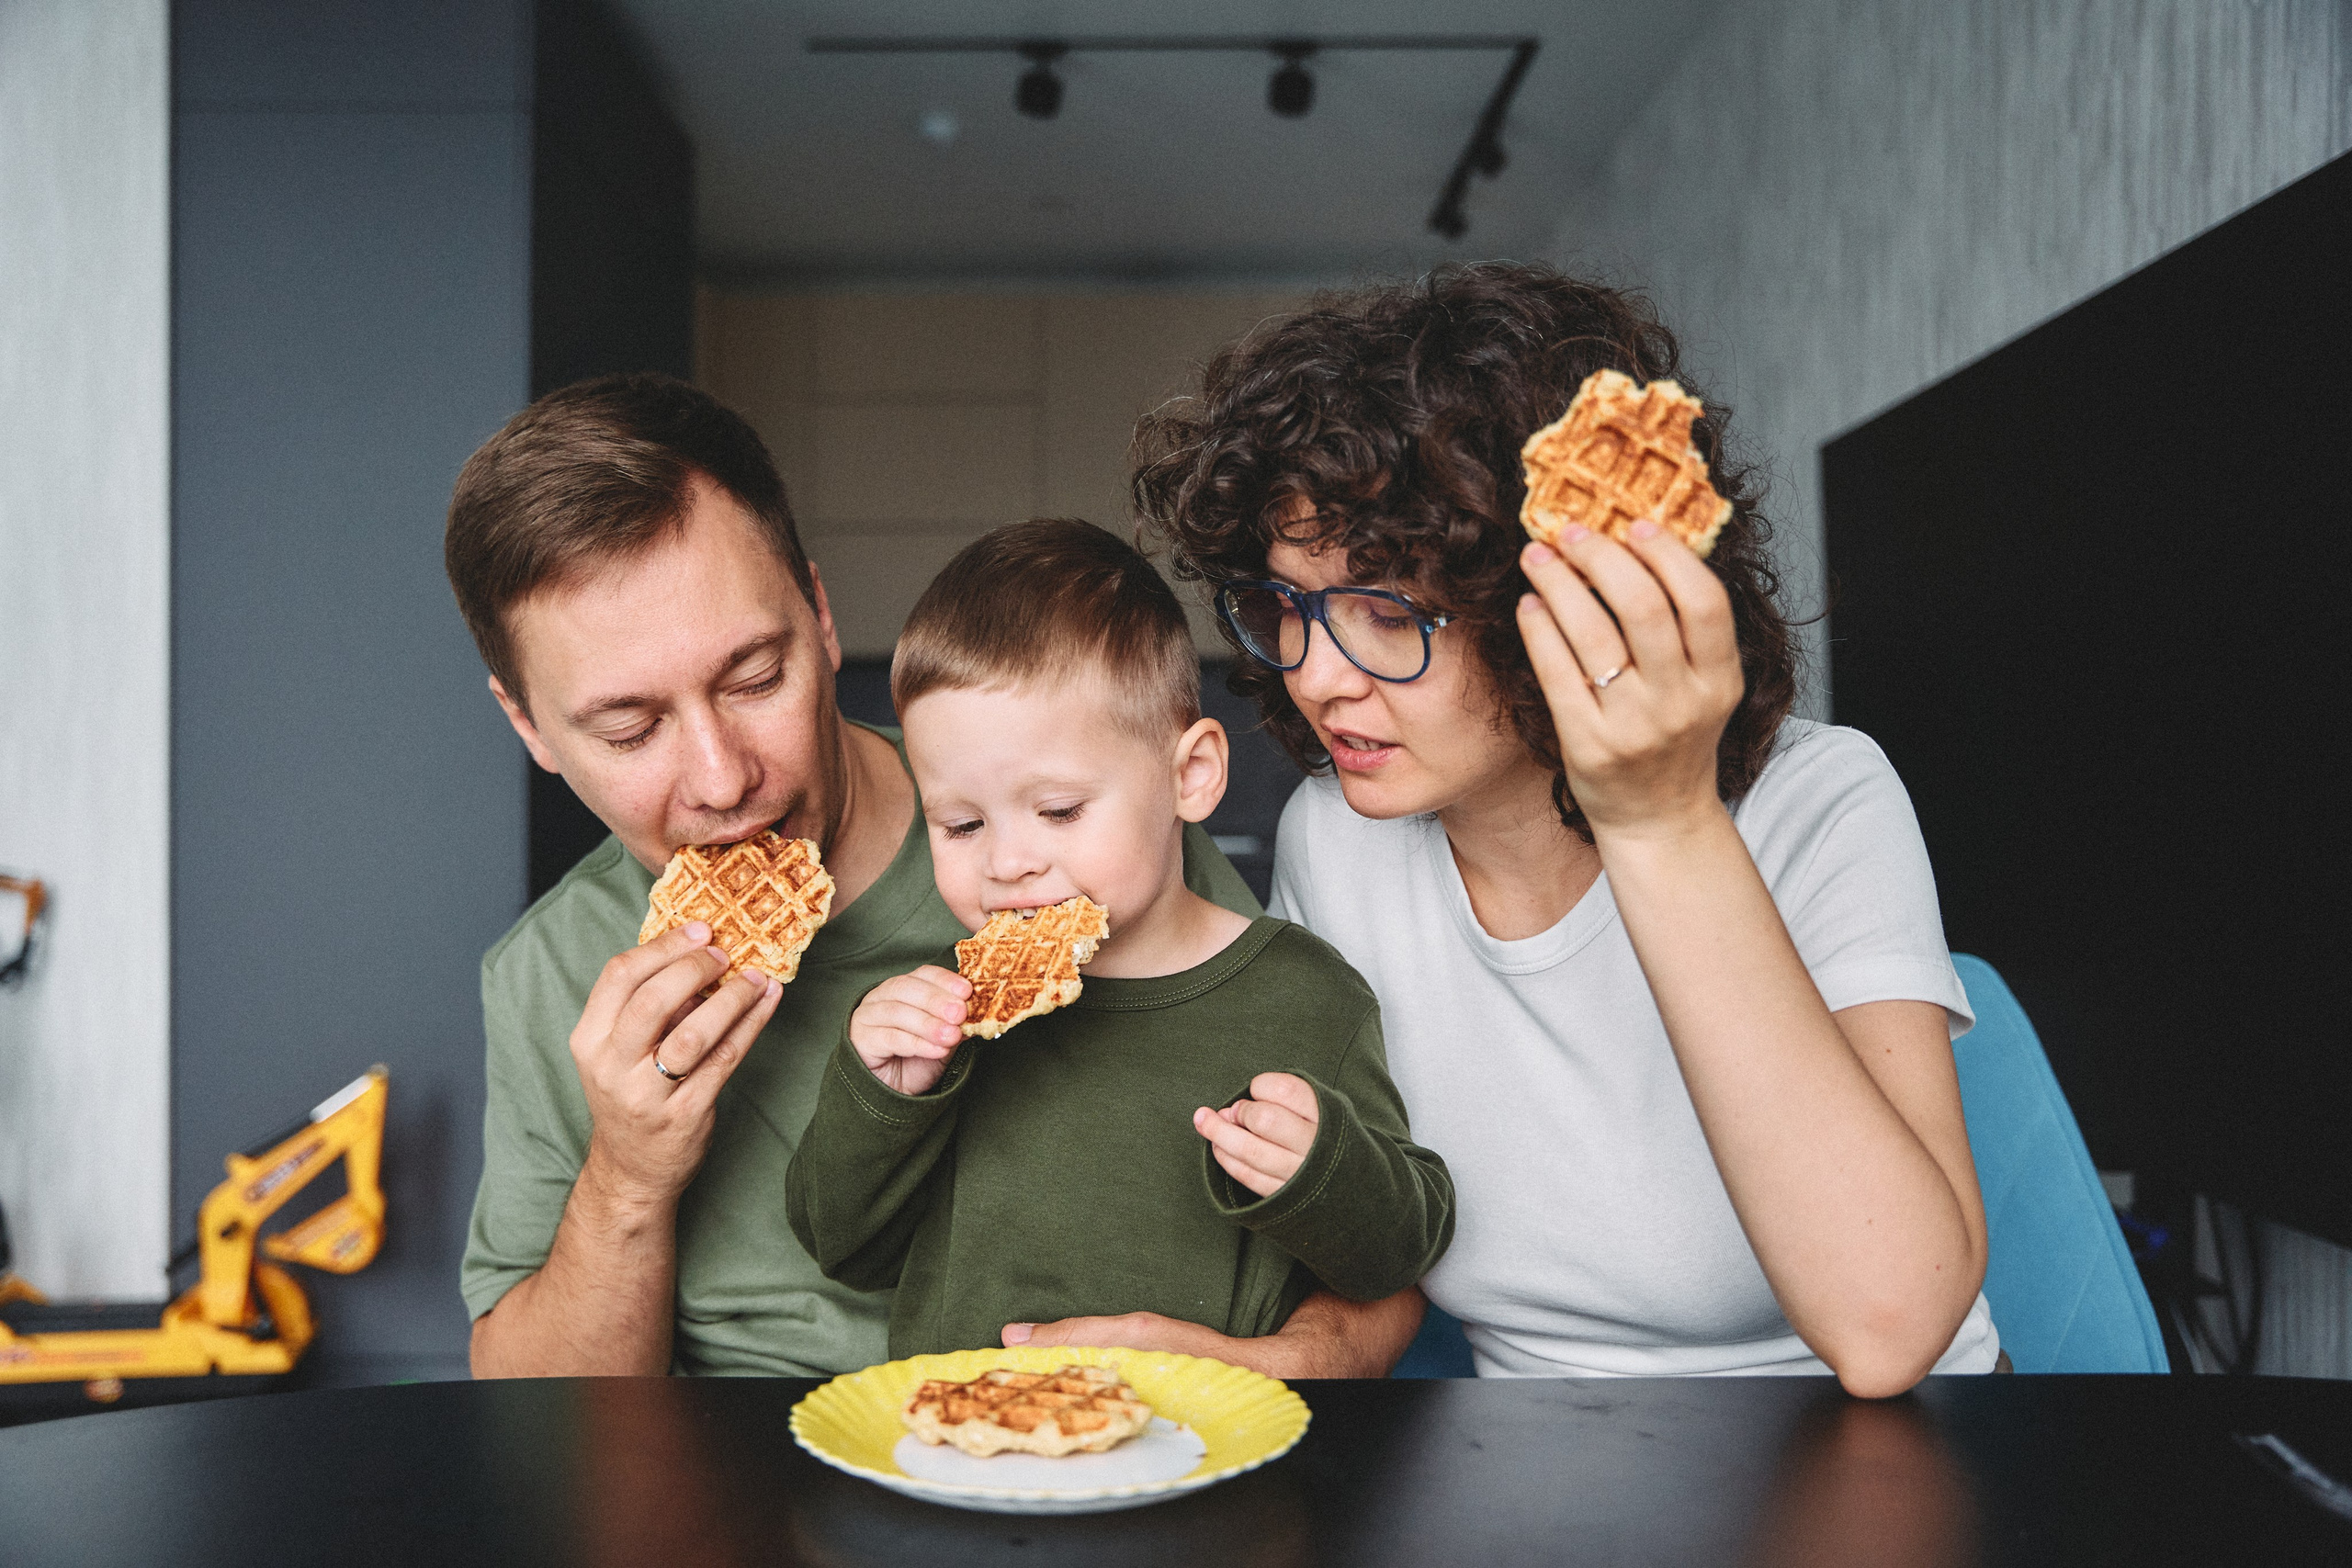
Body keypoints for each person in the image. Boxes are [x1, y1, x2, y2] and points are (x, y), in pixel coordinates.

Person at [1123, 263, 1999, 1396]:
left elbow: (1890, 1329)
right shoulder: (1332, 840)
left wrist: (1662, 821)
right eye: (1288, 607)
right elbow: (1371, 1219)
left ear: (1574, 600)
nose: (1320, 681)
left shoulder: (1820, 801)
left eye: (1387, 613)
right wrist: (1272, 1364)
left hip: (1874, 1440)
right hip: (1537, 1452)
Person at [443, 373, 1422, 1377]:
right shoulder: (551, 970)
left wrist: (1263, 1370)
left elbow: (1365, 1257)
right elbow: (538, 1410)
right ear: (531, 728)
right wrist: (630, 1177)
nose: (721, 777)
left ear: (822, 620)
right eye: (631, 727)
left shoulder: (1087, 831)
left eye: (755, 679)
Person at [784, 521, 1454, 1357]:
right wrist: (882, 1094)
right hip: (969, 1452)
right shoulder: (946, 1017)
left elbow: (1404, 1249)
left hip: (1209, 1449)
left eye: (1059, 810)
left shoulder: (1306, 993)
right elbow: (842, 1245)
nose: (1009, 862)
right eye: (960, 823)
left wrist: (1323, 1168)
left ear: (1190, 776)